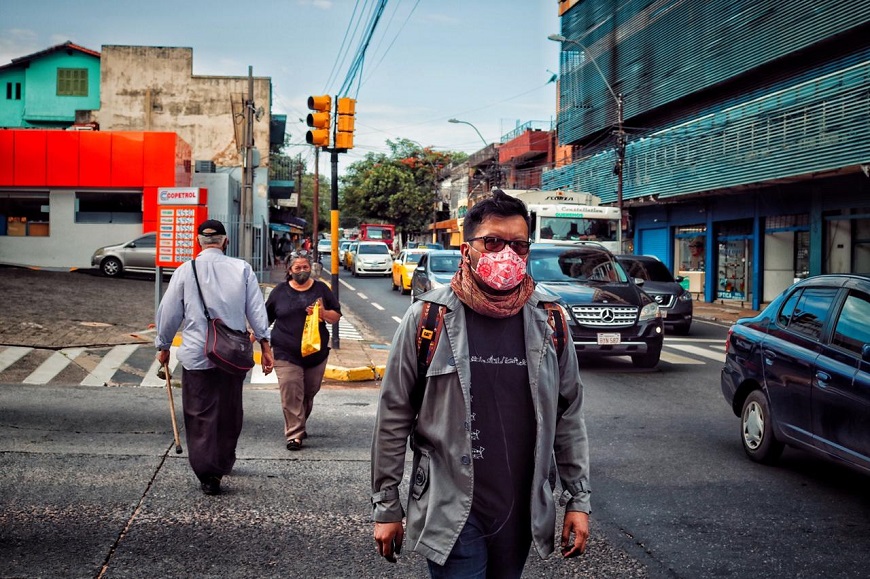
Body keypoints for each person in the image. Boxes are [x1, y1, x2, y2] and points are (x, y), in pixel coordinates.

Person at [371, 189, 591, 578]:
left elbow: (568, 415)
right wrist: (387, 505)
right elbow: (394, 415)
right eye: (492, 242)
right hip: (450, 507)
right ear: (466, 248)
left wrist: (578, 500)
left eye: (518, 245)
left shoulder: (550, 320)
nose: (506, 254)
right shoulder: (427, 318)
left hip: (520, 510)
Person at [155, 219, 274, 496]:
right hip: (232, 355)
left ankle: (208, 472)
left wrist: (163, 345)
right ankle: (223, 459)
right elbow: (256, 310)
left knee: (199, 414)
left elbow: (169, 311)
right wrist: (266, 346)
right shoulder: (242, 269)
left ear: (198, 242)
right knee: (229, 411)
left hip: (197, 354)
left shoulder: (185, 270)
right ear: (225, 242)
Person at [265, 250, 341, 451]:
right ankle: (294, 434)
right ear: (289, 270)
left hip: (315, 352)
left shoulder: (321, 289)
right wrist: (254, 339)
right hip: (285, 350)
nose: (302, 271)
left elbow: (336, 316)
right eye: (297, 268)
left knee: (308, 392)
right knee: (291, 390)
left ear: (311, 268)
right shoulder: (279, 292)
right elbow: (265, 319)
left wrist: (322, 313)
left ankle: (299, 423)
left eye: (305, 267)